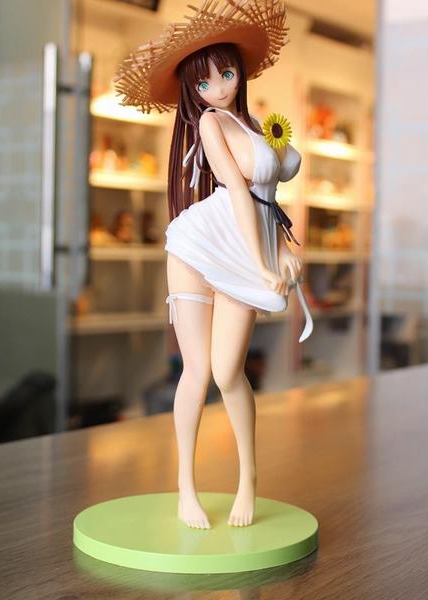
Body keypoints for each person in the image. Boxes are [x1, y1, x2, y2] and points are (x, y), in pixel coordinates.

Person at [114, 0, 313, 529]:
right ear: (193, 91)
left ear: (239, 72)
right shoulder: (209, 122)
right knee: (197, 370)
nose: (219, 88)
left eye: (226, 74)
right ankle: (186, 485)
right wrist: (262, 262)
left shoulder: (255, 123)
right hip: (202, 243)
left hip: (248, 241)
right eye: (205, 82)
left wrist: (282, 250)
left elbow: (269, 200)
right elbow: (240, 195)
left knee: (229, 371)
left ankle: (249, 479)